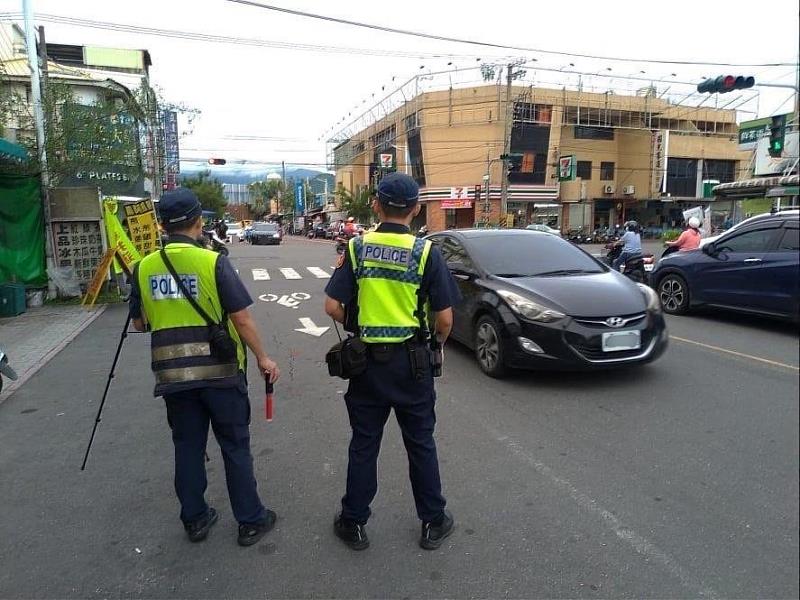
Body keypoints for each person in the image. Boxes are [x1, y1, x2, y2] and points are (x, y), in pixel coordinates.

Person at [129, 188, 281, 547]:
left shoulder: (143, 267)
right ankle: (250, 521)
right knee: (234, 446)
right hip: (222, 373)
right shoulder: (213, 262)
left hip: (172, 377)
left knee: (187, 446)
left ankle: (195, 520)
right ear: (199, 222)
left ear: (163, 225)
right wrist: (263, 357)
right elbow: (241, 319)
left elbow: (139, 323)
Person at [324, 172, 461, 552]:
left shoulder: (356, 249)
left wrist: (362, 323)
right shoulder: (426, 253)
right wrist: (436, 344)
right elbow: (445, 319)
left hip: (366, 365)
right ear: (416, 209)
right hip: (413, 366)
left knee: (364, 444)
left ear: (376, 205)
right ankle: (433, 522)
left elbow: (332, 306)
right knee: (420, 443)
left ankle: (353, 522)